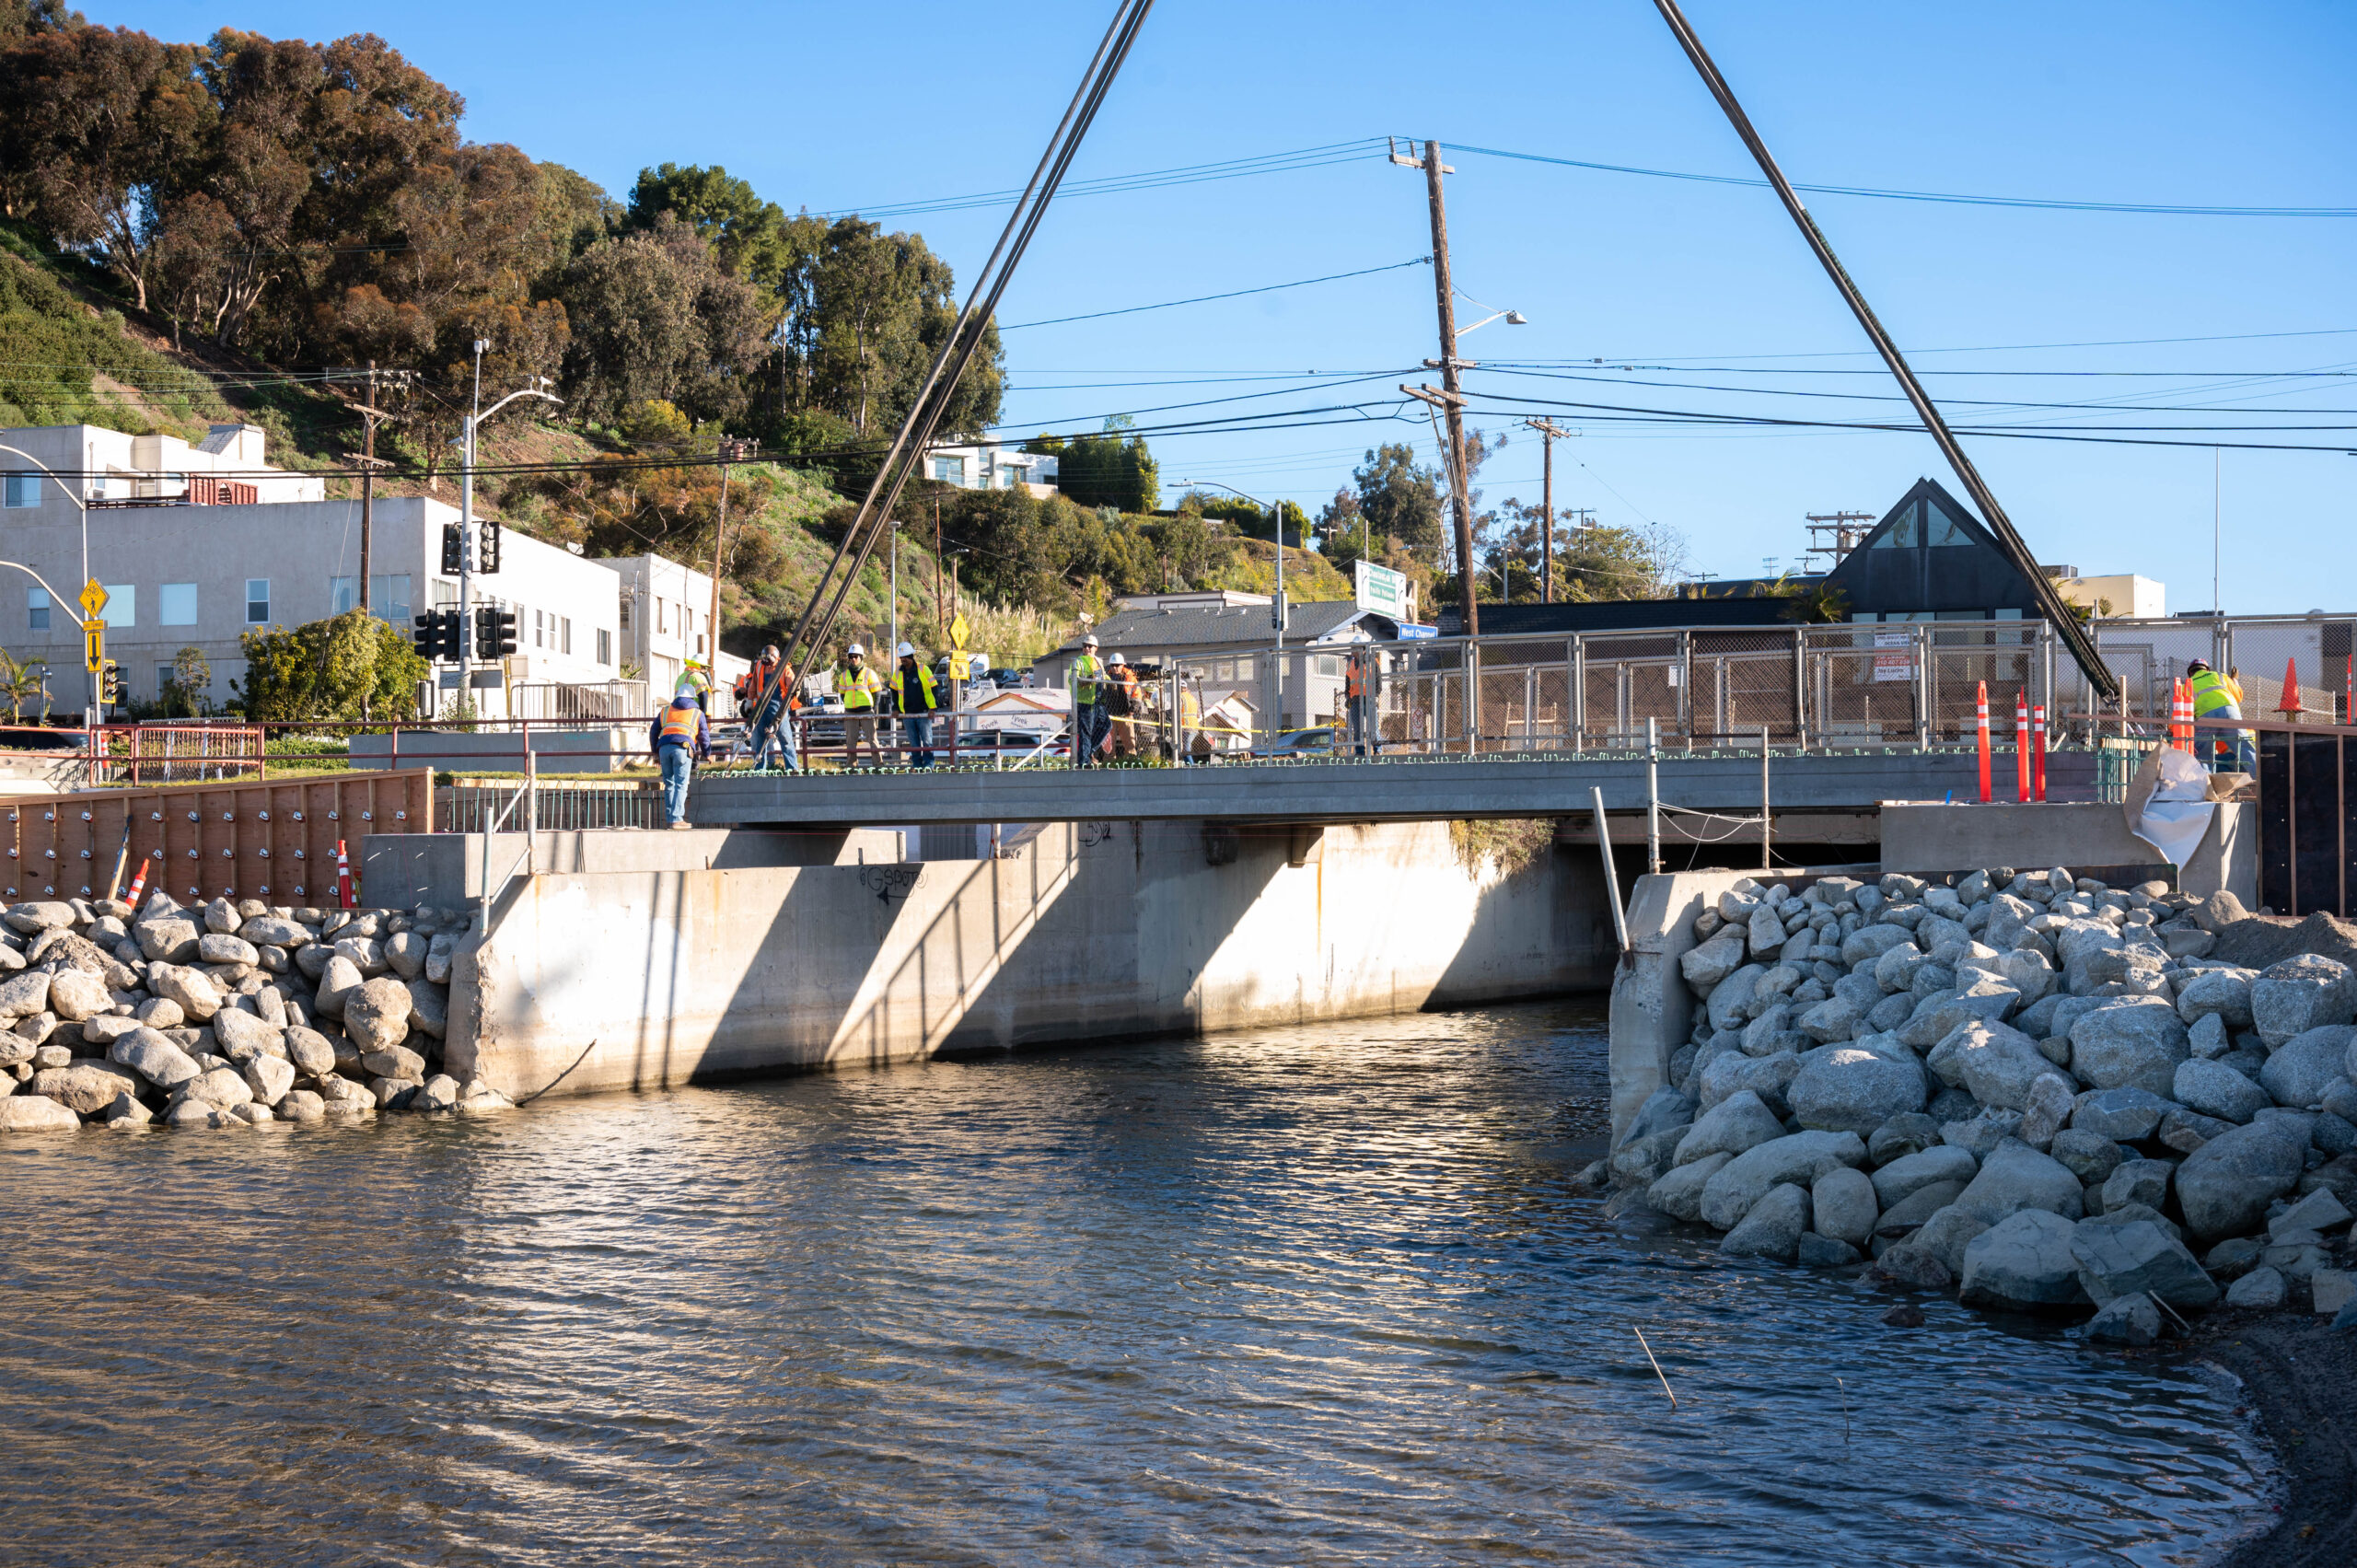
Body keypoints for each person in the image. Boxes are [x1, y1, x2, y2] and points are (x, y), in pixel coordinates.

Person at [648, 690, 711, 829]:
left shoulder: (665, 711)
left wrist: (655, 753)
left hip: (664, 748)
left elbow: (653, 730)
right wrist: (707, 753)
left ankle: (671, 820)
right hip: (683, 748)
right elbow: (704, 735)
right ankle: (677, 819)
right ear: (693, 697)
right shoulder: (697, 713)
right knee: (681, 784)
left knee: (669, 784)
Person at [2186, 657, 2253, 774]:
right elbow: (2238, 696)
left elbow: (2183, 712)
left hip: (2205, 717)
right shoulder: (2220, 676)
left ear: (2190, 673)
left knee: (2202, 755)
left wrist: (2171, 730)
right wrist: (2235, 680)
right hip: (2230, 711)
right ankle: (2263, 784)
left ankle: (2205, 787)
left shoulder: (2187, 685)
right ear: (2207, 670)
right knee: (2244, 748)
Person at [745, 643, 796, 772]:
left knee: (785, 739)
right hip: (761, 707)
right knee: (760, 741)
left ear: (775, 657)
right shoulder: (759, 666)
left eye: (768, 661)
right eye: (764, 661)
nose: (766, 663)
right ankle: (760, 769)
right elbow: (753, 684)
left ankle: (792, 767)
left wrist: (795, 692)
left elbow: (793, 685)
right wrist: (750, 700)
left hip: (778, 707)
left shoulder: (784, 668)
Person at [892, 641, 940, 768]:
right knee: (914, 742)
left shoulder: (923, 669)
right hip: (907, 713)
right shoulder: (898, 673)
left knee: (927, 741)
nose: (903, 659)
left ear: (911, 657)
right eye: (901, 657)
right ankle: (917, 765)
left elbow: (934, 687)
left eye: (906, 657)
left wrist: (933, 708)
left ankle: (929, 765)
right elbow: (894, 690)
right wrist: (896, 708)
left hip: (924, 712)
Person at [837, 642, 885, 767]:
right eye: (851, 656)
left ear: (861, 657)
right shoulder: (844, 675)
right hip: (850, 712)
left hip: (866, 711)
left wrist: (873, 708)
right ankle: (851, 766)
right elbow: (842, 693)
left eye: (856, 656)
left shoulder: (869, 673)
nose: (853, 659)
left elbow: (877, 692)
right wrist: (849, 704)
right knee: (850, 741)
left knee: (872, 740)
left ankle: (878, 765)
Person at [1069, 633, 1109, 767]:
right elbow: (1073, 680)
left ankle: (1089, 750)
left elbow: (1103, 676)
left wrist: (1111, 681)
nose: (1087, 649)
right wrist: (1088, 680)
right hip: (1084, 703)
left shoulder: (1098, 662)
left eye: (1090, 646)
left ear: (1096, 647)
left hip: (1098, 701)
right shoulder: (1078, 662)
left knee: (1106, 725)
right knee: (1085, 733)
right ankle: (1084, 761)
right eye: (1085, 646)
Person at [1104, 652, 1144, 759]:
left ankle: (1130, 761)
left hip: (1125, 714)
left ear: (1122, 665)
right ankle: (1109, 763)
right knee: (1108, 744)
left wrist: (1132, 709)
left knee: (1129, 743)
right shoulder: (1106, 677)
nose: (1115, 668)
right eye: (1112, 665)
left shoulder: (1129, 678)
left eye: (1117, 665)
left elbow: (1137, 695)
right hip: (1110, 715)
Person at [1344, 643, 1376, 756]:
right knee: (1357, 728)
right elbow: (1348, 683)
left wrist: (1375, 695)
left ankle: (1377, 750)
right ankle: (1360, 752)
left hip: (1369, 699)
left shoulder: (1372, 662)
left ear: (1362, 649)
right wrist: (1348, 696)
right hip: (1355, 700)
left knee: (1373, 727)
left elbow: (1378, 681)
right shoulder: (1350, 664)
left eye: (1354, 648)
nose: (1352, 650)